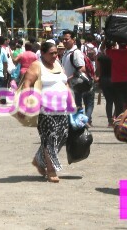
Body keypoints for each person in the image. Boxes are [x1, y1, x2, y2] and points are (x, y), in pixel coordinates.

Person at [21, 41, 72, 183]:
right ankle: (51, 170)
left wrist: (71, 101)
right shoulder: (37, 65)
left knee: (62, 136)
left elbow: (65, 83)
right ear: (42, 53)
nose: (55, 55)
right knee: (50, 139)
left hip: (62, 109)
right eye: (51, 53)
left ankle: (39, 159)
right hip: (45, 110)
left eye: (56, 53)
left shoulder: (58, 64)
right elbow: (27, 83)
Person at [95, 44, 115, 127]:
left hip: (104, 79)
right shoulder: (115, 56)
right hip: (115, 79)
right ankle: (115, 118)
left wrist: (98, 77)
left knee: (109, 101)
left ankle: (110, 121)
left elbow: (98, 69)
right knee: (117, 101)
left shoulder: (101, 57)